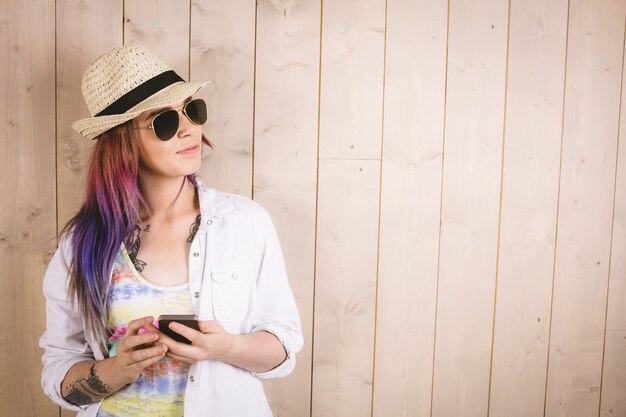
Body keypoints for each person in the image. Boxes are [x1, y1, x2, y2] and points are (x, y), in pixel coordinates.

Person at [39, 41, 303, 417]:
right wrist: (115, 370)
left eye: (192, 111)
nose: (188, 130)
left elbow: (284, 346)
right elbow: (60, 374)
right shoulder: (82, 243)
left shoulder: (245, 222)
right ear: (123, 140)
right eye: (164, 121)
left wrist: (224, 347)